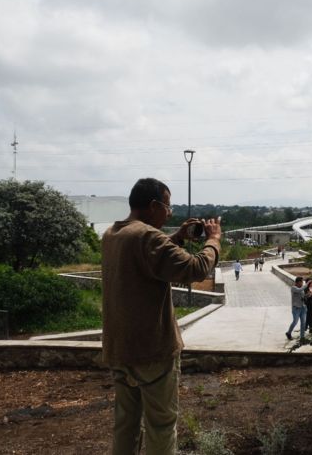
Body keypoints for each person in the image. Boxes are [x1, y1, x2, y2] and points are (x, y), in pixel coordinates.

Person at [101, 178, 221, 455]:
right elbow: (196, 268)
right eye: (167, 207)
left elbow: (148, 258)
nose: (169, 212)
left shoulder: (113, 234)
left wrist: (177, 238)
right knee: (161, 424)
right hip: (152, 351)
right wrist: (213, 239)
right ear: (154, 205)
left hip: (120, 349)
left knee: (126, 425)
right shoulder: (147, 237)